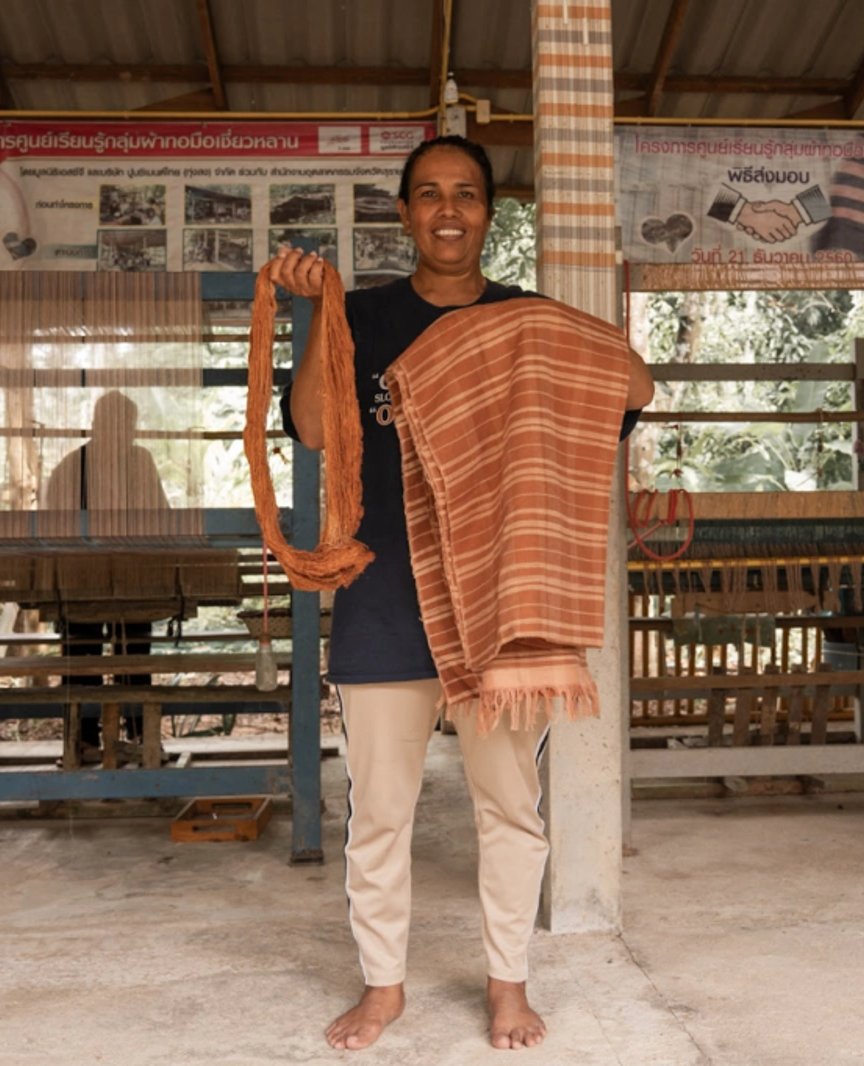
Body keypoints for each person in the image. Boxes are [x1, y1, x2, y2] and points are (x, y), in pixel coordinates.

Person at [271, 135, 655, 1052]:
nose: (450, 210)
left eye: (469, 194)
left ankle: (507, 986)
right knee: (381, 813)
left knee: (509, 808)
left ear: (490, 213)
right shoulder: (357, 316)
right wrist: (316, 311)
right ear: (404, 214)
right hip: (383, 593)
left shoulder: (528, 319)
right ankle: (384, 987)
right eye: (430, 194)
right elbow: (316, 430)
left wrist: (563, 339)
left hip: (501, 605)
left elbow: (634, 385)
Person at [42, 391, 170, 764]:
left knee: (132, 660)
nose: (124, 432)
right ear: (98, 425)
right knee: (84, 662)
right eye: (118, 425)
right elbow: (54, 524)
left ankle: (137, 738)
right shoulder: (72, 467)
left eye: (127, 426)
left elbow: (159, 514)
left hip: (131, 576)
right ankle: (83, 741)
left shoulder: (138, 461)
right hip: (82, 580)